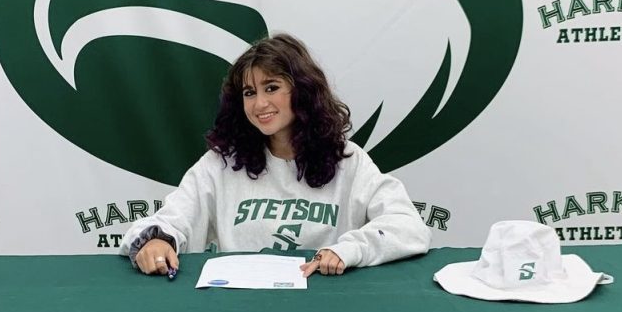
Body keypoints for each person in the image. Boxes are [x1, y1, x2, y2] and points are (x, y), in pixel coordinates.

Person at [120, 33, 431, 277]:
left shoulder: (346, 159)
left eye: (271, 87)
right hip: (239, 305)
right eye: (249, 93)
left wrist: (349, 250)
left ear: (303, 90)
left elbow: (408, 226)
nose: (259, 104)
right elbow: (171, 220)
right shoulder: (222, 163)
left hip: (324, 304)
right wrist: (158, 240)